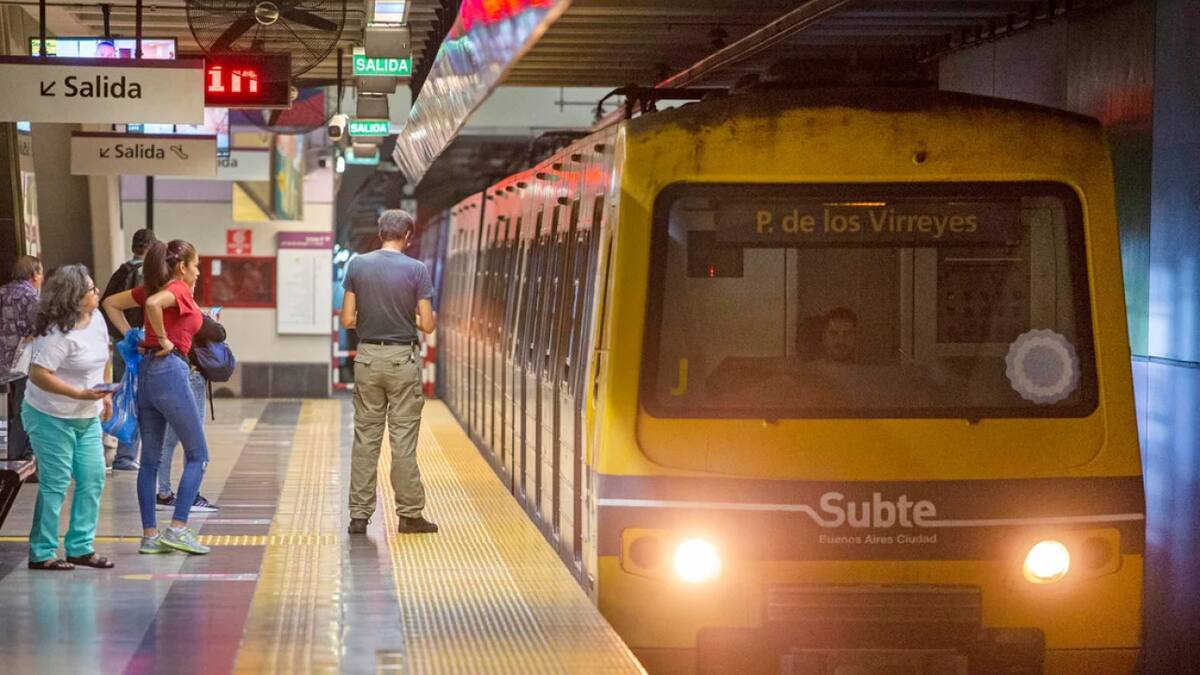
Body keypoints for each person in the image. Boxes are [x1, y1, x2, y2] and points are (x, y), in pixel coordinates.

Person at [102, 239, 212, 555]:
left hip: (147, 373)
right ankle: (177, 528)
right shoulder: (177, 289)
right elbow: (153, 306)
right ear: (182, 267)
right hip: (170, 371)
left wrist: (133, 336)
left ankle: (150, 535)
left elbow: (110, 303)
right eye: (196, 265)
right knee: (198, 455)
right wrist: (163, 339)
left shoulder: (152, 287)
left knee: (150, 459)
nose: (198, 272)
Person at [341, 209, 438, 535]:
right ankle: (409, 515)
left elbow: (347, 319)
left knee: (365, 439)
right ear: (408, 236)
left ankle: (358, 516)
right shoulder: (417, 269)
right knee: (403, 441)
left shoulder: (358, 265)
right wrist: (406, 318)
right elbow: (427, 324)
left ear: (380, 233)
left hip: (367, 358)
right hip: (401, 360)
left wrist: (371, 318)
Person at [22, 265, 114, 570]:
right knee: (55, 482)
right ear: (73, 296)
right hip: (50, 415)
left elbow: (105, 355)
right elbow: (39, 375)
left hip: (86, 415)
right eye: (90, 289)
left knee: (93, 477)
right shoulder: (56, 333)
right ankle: (42, 552)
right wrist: (78, 394)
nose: (96, 292)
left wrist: (105, 393)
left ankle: (80, 547)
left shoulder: (96, 318)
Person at [155, 311, 225, 513]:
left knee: (169, 439)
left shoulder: (164, 312)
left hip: (170, 373)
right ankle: (191, 496)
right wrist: (210, 319)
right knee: (195, 441)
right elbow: (219, 333)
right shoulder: (190, 310)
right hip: (191, 376)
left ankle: (163, 493)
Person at [102, 228, 156, 471]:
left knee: (121, 394)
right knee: (137, 397)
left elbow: (105, 304)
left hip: (121, 342)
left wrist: (122, 333)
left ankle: (110, 440)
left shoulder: (121, 271)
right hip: (140, 343)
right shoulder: (149, 276)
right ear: (151, 247)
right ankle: (126, 456)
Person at [0, 255, 43, 371]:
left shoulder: (1, 291)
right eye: (41, 274)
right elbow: (40, 329)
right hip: (22, 362)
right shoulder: (31, 297)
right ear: (35, 275)